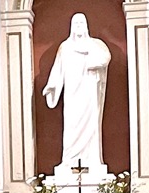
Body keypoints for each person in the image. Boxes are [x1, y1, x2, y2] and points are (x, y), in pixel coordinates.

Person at [42, 12, 111, 169]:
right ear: (72, 27)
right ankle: (70, 160)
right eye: (76, 23)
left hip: (89, 93)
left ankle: (91, 160)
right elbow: (58, 70)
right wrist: (52, 86)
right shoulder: (65, 47)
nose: (79, 26)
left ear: (86, 25)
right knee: (71, 126)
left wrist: (92, 62)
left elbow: (105, 57)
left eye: (81, 23)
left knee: (91, 126)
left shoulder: (95, 45)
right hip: (72, 94)